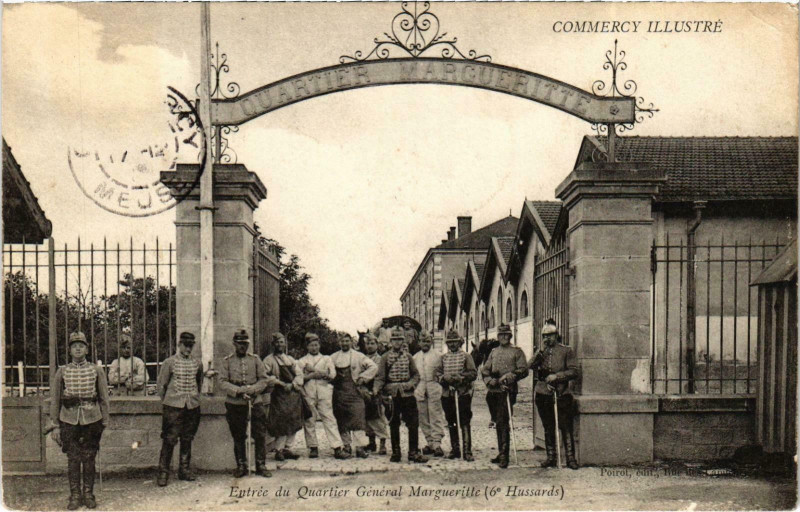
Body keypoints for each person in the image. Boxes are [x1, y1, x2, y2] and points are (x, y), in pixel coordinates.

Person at [48, 332, 110, 510]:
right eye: (74, 345)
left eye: (81, 345)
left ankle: (88, 493)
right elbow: (56, 400)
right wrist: (55, 425)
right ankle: (75, 495)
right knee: (73, 458)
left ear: (87, 349)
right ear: (69, 350)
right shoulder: (62, 371)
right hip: (68, 419)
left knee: (89, 456)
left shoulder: (96, 370)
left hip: (92, 419)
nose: (77, 348)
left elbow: (104, 397)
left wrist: (104, 421)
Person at [218, 329, 274, 477]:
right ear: (234, 344)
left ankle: (261, 465)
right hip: (235, 404)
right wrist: (238, 391)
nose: (243, 346)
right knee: (238, 435)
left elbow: (264, 379)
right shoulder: (227, 361)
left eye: (245, 343)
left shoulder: (255, 360)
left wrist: (253, 390)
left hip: (255, 402)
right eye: (240, 343)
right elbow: (222, 382)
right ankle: (241, 465)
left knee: (260, 433)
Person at [155, 332, 206, 486]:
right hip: (173, 407)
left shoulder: (198, 363)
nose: (188, 349)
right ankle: (163, 472)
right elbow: (161, 385)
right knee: (170, 439)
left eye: (191, 345)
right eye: (185, 345)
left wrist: (193, 398)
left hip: (192, 406)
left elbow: (199, 383)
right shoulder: (169, 363)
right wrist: (169, 401)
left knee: (187, 437)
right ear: (179, 345)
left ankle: (184, 470)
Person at [374, 328, 428, 463]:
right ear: (391, 341)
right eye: (394, 340)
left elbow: (416, 375)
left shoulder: (409, 357)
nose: (397, 342)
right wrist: (377, 389)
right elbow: (380, 377)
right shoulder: (385, 357)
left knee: (413, 423)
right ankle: (396, 452)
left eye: (399, 339)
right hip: (392, 394)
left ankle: (413, 452)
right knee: (393, 423)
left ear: (403, 341)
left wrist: (411, 384)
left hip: (407, 393)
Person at [530, 322, 580, 469]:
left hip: (561, 393)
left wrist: (557, 376)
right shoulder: (541, 352)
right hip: (542, 393)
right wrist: (539, 353)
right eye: (544, 336)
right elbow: (529, 366)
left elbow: (574, 371)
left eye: (550, 336)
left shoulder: (566, 351)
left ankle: (570, 458)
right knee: (548, 426)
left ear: (556, 335)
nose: (547, 339)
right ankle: (551, 457)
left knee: (565, 426)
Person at [481, 324, 528, 468]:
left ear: (510, 336)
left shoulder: (516, 352)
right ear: (498, 337)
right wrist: (490, 380)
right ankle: (501, 451)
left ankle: (504, 455)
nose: (503, 337)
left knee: (503, 421)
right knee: (498, 422)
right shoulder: (494, 352)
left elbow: (524, 370)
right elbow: (485, 370)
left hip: (507, 391)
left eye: (506, 334)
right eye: (501, 335)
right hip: (494, 391)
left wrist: (512, 376)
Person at [298, 332, 349, 460]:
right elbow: (299, 379)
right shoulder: (302, 361)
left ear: (319, 345)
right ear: (307, 347)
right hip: (308, 393)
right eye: (311, 345)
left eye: (316, 345)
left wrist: (314, 371)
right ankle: (313, 447)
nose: (314, 348)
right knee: (309, 420)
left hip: (324, 393)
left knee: (329, 419)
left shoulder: (327, 359)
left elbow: (332, 375)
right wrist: (311, 375)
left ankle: (337, 447)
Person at [330, 333, 378, 458]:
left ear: (351, 342)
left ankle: (360, 448)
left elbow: (374, 366)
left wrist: (363, 378)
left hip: (355, 393)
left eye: (347, 341)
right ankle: (346, 446)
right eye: (342, 341)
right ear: (339, 343)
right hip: (339, 394)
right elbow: (328, 372)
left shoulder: (358, 356)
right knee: (342, 420)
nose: (344, 344)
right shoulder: (333, 357)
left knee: (358, 419)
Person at [435, 329, 478, 461]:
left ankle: (467, 450)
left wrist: (461, 377)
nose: (452, 345)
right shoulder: (443, 358)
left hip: (462, 393)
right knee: (451, 421)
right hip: (448, 394)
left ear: (459, 342)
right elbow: (436, 373)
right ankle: (455, 449)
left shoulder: (466, 356)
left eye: (454, 342)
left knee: (464, 421)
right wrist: (444, 378)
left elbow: (473, 373)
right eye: (450, 342)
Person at [263, 332, 304, 462]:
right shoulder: (268, 360)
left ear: (284, 344)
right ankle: (279, 450)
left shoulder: (290, 359)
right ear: (273, 344)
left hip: (292, 394)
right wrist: (280, 383)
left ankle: (288, 449)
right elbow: (265, 376)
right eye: (277, 342)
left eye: (282, 342)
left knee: (294, 420)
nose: (280, 345)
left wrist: (292, 384)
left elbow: (299, 374)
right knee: (281, 422)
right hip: (279, 394)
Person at [412, 332, 445, 457]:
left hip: (434, 387)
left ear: (431, 342)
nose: (425, 343)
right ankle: (429, 442)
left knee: (435, 415)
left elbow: (443, 371)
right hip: (420, 388)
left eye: (427, 341)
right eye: (422, 341)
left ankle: (437, 443)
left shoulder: (439, 356)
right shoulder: (415, 357)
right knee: (423, 416)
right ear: (419, 342)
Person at [362, 333, 389, 454]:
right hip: (364, 391)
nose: (370, 346)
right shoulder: (362, 358)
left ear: (377, 345)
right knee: (366, 417)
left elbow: (382, 376)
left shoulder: (381, 359)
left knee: (378, 417)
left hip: (377, 390)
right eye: (367, 343)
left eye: (372, 343)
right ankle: (371, 442)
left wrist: (377, 389)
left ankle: (383, 443)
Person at [473, 337, 500, 428]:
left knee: (495, 399)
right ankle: (494, 418)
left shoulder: (493, 350)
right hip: (493, 380)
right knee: (490, 398)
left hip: (502, 379)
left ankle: (497, 419)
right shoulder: (489, 352)